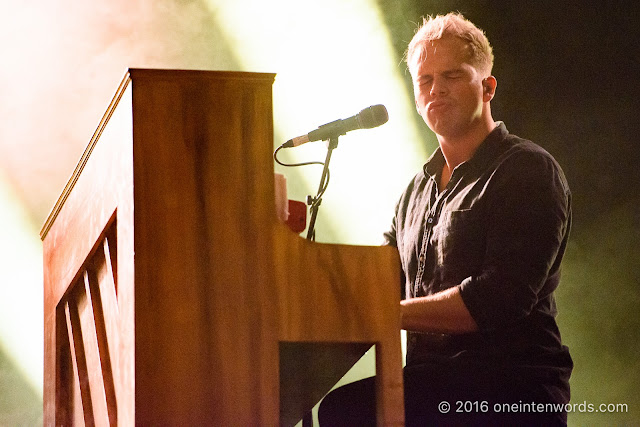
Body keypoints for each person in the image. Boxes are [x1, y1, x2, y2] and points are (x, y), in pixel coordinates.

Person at [318, 12, 573, 425]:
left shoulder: (527, 169)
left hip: (511, 392)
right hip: (432, 387)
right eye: (424, 81)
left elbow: (498, 299)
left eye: (452, 76)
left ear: (487, 86)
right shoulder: (413, 193)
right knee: (344, 409)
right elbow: (377, 278)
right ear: (416, 98)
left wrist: (388, 313)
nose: (436, 90)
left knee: (348, 411)